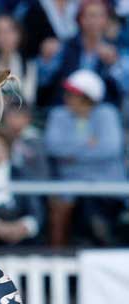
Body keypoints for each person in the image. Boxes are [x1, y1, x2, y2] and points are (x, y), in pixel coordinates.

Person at [44, 68, 126, 246]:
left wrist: (72, 154)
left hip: (105, 186)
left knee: (92, 209)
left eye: (74, 94)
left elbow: (110, 148)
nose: (67, 97)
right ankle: (57, 256)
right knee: (59, 207)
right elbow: (53, 146)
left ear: (88, 98)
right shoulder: (58, 114)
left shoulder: (107, 113)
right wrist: (88, 144)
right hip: (70, 186)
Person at [37, 0, 129, 107]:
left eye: (100, 16)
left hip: (101, 109)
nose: (94, 21)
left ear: (106, 20)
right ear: (80, 19)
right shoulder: (65, 47)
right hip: (66, 107)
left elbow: (126, 86)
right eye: (90, 16)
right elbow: (43, 80)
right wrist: (46, 59)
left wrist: (114, 64)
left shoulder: (117, 48)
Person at [0, 15, 37, 105]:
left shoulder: (28, 65)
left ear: (19, 34)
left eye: (8, 31)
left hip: (18, 116)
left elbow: (29, 99)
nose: (4, 37)